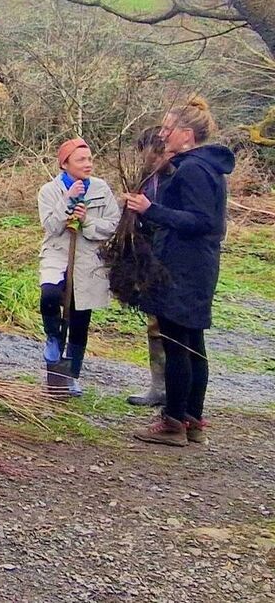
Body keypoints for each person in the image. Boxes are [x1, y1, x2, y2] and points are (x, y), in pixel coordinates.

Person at [126, 97, 234, 447]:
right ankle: (192, 420)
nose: (162, 133)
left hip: (183, 268)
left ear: (186, 134)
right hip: (197, 266)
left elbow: (203, 221)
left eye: (167, 128)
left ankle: (173, 422)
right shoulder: (205, 167)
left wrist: (150, 208)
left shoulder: (192, 169)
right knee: (193, 343)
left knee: (176, 344)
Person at [37, 138, 121, 397]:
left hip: (88, 259)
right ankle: (52, 338)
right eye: (81, 159)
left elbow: (113, 224)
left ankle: (70, 376)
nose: (88, 164)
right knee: (50, 295)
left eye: (89, 159)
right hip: (58, 255)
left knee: (80, 317)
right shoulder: (49, 191)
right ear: (65, 164)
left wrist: (87, 221)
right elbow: (51, 226)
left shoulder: (100, 189)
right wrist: (68, 201)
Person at [126, 126, 173, 407]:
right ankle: (159, 386)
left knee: (175, 327)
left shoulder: (176, 177)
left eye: (151, 154)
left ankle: (178, 394)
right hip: (151, 259)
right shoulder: (146, 180)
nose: (147, 160)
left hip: (175, 260)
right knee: (154, 325)